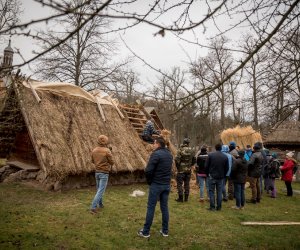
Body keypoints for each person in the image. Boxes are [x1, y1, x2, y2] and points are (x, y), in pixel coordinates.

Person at [138, 137, 173, 238]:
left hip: (157, 184)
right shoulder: (169, 155)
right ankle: (165, 231)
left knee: (151, 208)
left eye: (154, 143)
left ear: (158, 144)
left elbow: (148, 170)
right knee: (164, 208)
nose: (153, 145)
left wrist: (150, 182)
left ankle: (145, 232)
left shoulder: (156, 154)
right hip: (166, 185)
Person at [90, 135, 114, 214]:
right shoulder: (107, 151)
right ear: (105, 142)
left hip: (97, 172)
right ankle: (93, 207)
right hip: (104, 173)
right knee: (101, 191)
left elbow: (92, 161)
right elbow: (112, 162)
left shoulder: (94, 150)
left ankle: (100, 204)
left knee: (98, 189)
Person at [205, 143, 229, 211]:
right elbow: (227, 168)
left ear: (215, 148)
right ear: (221, 148)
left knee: (211, 192)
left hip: (212, 176)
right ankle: (219, 207)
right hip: (220, 177)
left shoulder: (210, 155)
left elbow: (206, 166)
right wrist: (223, 175)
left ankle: (212, 207)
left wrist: (207, 174)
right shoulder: (225, 156)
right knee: (219, 192)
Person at [175, 138, 196, 202]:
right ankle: (186, 198)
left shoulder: (180, 150)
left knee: (179, 184)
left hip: (181, 170)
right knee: (187, 184)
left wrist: (178, 167)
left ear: (183, 143)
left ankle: (180, 198)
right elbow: (194, 159)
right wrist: (190, 165)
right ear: (188, 143)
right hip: (188, 170)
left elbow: (176, 160)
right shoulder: (192, 150)